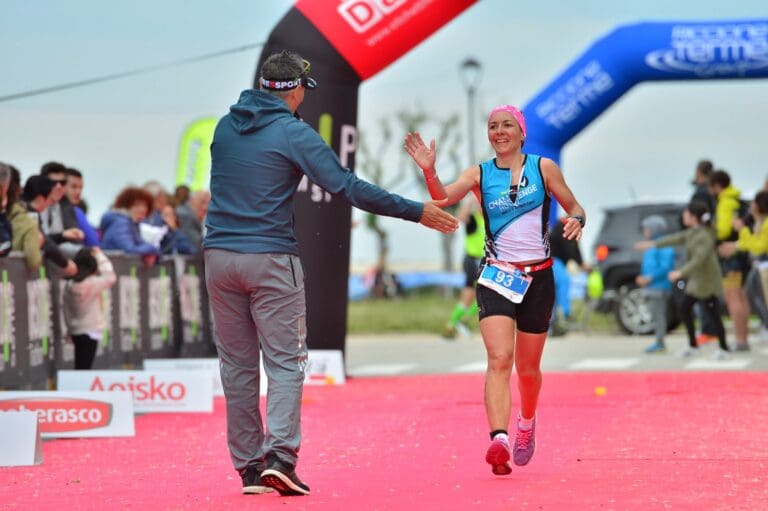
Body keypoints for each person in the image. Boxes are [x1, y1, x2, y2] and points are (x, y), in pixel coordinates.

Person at [203, 50, 457, 496]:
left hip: (219, 256)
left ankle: (248, 467)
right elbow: (346, 186)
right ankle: (279, 456)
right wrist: (416, 211)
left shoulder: (225, 126)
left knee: (237, 367)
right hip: (269, 257)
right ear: (297, 89)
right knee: (284, 362)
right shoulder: (291, 131)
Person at [404, 104, 586, 475]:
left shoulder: (543, 168)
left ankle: (526, 423)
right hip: (496, 276)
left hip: (539, 278)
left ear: (521, 133)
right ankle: (499, 437)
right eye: (492, 126)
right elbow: (443, 198)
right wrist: (429, 170)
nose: (499, 131)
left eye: (507, 125)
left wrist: (577, 221)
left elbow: (574, 205)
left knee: (528, 369)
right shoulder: (479, 174)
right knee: (499, 359)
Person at [638, 200, 729, 359]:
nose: (684, 216)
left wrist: (680, 273)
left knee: (710, 313)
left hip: (707, 282)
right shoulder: (692, 232)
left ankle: (723, 348)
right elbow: (675, 238)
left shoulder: (704, 235)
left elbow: (699, 259)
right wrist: (652, 244)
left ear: (694, 217)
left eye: (686, 214)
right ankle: (695, 344)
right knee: (687, 309)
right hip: (698, 282)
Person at [719, 190, 768, 343]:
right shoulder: (760, 222)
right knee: (754, 295)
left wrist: (742, 230)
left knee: (752, 295)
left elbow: (759, 246)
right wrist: (737, 244)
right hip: (760, 266)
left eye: (753, 203)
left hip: (764, 265)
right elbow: (752, 243)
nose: (751, 206)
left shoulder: (765, 224)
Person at [710, 170, 751, 351]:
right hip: (741, 254)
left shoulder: (725, 202)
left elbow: (724, 230)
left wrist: (713, 232)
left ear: (717, 186)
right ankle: (743, 337)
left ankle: (740, 339)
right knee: (742, 297)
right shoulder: (737, 200)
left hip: (730, 256)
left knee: (733, 297)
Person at [62, 247, 116, 369]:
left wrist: (69, 329)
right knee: (86, 365)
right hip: (92, 330)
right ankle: (81, 387)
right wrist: (100, 257)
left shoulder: (69, 285)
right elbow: (110, 277)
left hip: (75, 330)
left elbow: (65, 310)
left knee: (80, 363)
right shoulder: (92, 283)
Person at [443, 196, 485, 339]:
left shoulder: (489, 221)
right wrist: (472, 199)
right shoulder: (474, 220)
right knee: (477, 295)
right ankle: (459, 323)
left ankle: (452, 325)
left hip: (482, 261)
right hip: (472, 261)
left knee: (471, 297)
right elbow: (461, 216)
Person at [635, 215, 676, 353]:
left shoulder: (662, 245)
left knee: (659, 315)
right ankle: (659, 341)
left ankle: (660, 343)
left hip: (660, 286)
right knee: (654, 315)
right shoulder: (651, 245)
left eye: (647, 229)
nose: (645, 232)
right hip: (651, 287)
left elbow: (666, 266)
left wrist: (649, 278)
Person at [99, 186, 160, 268]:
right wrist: (152, 249)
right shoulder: (121, 223)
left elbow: (140, 244)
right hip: (115, 269)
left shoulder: (132, 224)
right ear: (126, 205)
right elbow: (129, 250)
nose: (142, 209)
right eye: (137, 205)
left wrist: (153, 252)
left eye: (145, 205)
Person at [549, 217, 590, 336]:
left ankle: (553, 324)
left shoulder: (566, 227)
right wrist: (581, 264)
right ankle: (565, 314)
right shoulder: (563, 226)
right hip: (553, 261)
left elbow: (574, 248)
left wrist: (581, 263)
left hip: (556, 262)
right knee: (564, 282)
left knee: (554, 293)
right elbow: (570, 248)